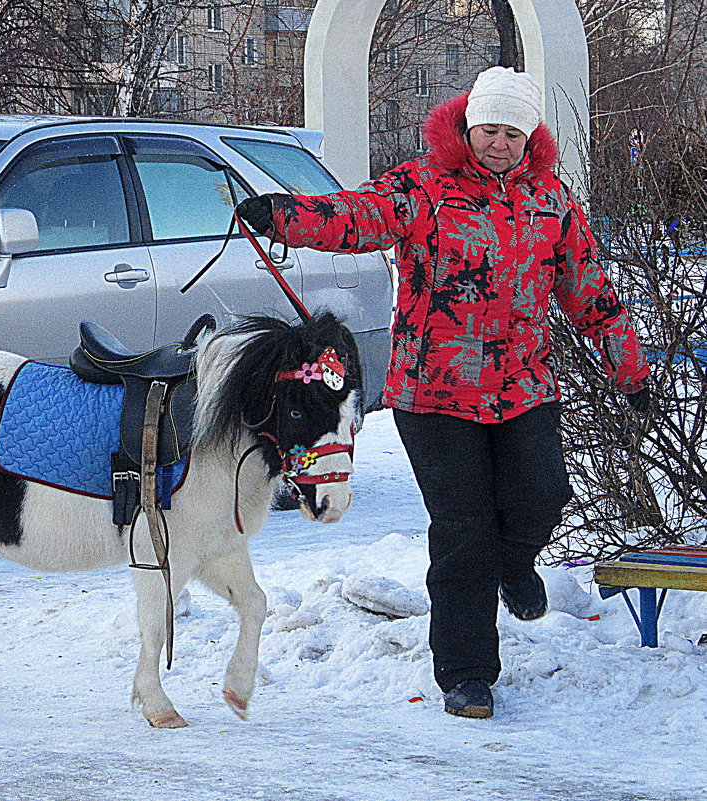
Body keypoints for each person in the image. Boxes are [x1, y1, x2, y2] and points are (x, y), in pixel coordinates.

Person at [236, 66, 650, 719]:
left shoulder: (551, 201)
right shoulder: (423, 186)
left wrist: (632, 370)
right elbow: (358, 214)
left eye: (512, 133)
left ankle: (516, 564)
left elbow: (593, 294)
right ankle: (467, 673)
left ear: (529, 136)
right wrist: (285, 215)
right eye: (489, 129)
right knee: (462, 531)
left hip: (523, 385)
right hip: (434, 391)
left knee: (543, 495)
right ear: (468, 125)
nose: (499, 143)